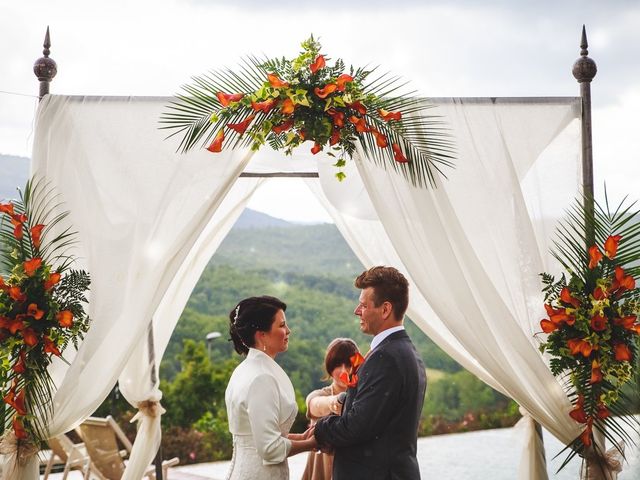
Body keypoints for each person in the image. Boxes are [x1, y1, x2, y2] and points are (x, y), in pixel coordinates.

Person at [314, 266, 427, 480]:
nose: (357, 310)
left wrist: (320, 429)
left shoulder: (387, 358)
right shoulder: (406, 352)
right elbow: (374, 410)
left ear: (385, 309)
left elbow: (356, 426)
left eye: (364, 305)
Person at [225, 295, 317, 480]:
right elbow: (269, 449)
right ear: (262, 334)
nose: (288, 331)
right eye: (282, 325)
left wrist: (299, 438)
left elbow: (254, 435)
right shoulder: (262, 378)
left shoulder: (244, 369)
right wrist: (311, 444)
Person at [302, 338, 361, 480]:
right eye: (337, 365)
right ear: (329, 366)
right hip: (322, 471)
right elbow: (314, 404)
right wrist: (335, 402)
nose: (343, 371)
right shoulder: (320, 394)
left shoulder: (364, 397)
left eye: (348, 364)